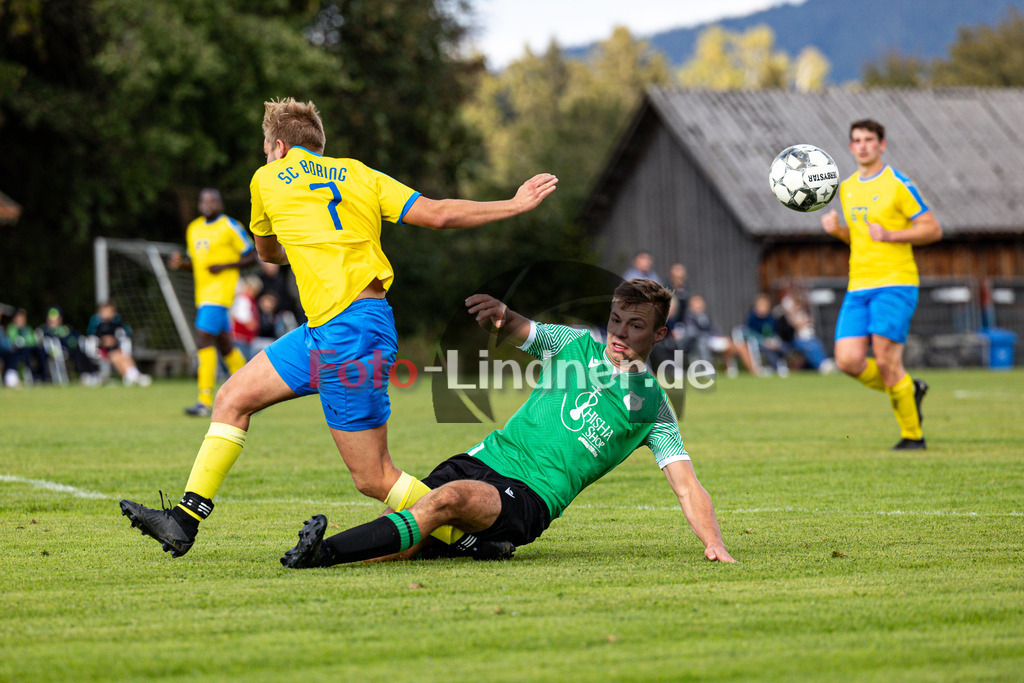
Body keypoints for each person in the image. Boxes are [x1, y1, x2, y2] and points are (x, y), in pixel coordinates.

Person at [120, 97, 558, 558]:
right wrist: (512, 204)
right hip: (330, 328)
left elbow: (267, 254)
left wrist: (304, 242)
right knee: (232, 398)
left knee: (374, 478)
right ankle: (183, 521)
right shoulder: (360, 173)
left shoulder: (267, 178)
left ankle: (473, 540)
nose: (266, 158)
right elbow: (439, 213)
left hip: (350, 333)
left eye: (267, 150)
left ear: (280, 147)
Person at [280, 278, 734, 568]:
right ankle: (472, 545)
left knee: (445, 502)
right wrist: (500, 314)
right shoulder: (573, 345)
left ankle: (323, 553)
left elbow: (687, 486)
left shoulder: (651, 405)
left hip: (528, 497)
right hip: (480, 460)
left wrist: (712, 541)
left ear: (658, 335)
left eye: (635, 325)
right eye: (615, 320)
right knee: (411, 531)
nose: (619, 333)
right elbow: (522, 326)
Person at [820, 118, 942, 450]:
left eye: (869, 139)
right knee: (847, 360)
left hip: (896, 283)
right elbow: (859, 240)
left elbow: (932, 229)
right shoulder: (846, 188)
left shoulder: (898, 184)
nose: (862, 145)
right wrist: (837, 232)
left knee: (887, 361)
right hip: (858, 286)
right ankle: (908, 389)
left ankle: (913, 437)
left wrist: (892, 234)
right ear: (850, 147)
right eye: (856, 140)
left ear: (881, 144)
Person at [169, 189, 258, 416]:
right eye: (204, 200)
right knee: (225, 345)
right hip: (203, 294)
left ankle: (204, 401)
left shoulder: (230, 226)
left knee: (203, 340)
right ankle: (254, 395)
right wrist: (182, 265)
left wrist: (225, 266)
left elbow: (251, 254)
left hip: (220, 294)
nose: (208, 204)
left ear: (220, 203)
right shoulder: (194, 228)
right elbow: (196, 264)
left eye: (213, 200)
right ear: (200, 204)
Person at [680, 294, 759, 378]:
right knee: (736, 347)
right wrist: (711, 336)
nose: (699, 305)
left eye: (700, 302)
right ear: (691, 304)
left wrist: (719, 335)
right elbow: (693, 332)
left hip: (714, 340)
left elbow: (714, 329)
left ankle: (751, 369)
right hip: (701, 342)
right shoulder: (689, 316)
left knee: (740, 345)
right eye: (696, 302)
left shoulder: (705, 316)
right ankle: (749, 370)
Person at [86, 302, 151, 386]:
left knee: (124, 356)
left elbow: (126, 332)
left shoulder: (117, 322)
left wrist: (115, 340)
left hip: (115, 348)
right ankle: (131, 376)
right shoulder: (96, 324)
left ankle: (133, 375)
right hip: (101, 350)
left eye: (110, 311)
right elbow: (91, 337)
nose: (108, 314)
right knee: (116, 356)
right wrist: (103, 341)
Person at [41, 306, 100, 385]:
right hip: (59, 351)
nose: (54, 321)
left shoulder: (66, 328)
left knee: (82, 352)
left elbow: (77, 336)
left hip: (73, 348)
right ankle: (84, 374)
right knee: (77, 352)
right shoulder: (46, 330)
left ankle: (92, 373)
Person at [744, 293, 788, 376]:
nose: (762, 308)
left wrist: (774, 340)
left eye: (764, 306)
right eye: (760, 306)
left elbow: (774, 332)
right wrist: (763, 341)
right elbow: (749, 334)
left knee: (783, 347)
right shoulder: (752, 319)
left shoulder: (771, 318)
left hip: (771, 341)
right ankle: (775, 367)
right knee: (769, 350)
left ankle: (782, 365)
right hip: (759, 343)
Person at [6, 308, 50, 384]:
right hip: (18, 351)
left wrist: (24, 341)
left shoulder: (27, 328)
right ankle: (32, 375)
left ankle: (42, 376)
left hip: (30, 349)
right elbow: (13, 340)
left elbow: (32, 341)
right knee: (25, 353)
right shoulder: (12, 328)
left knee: (41, 352)